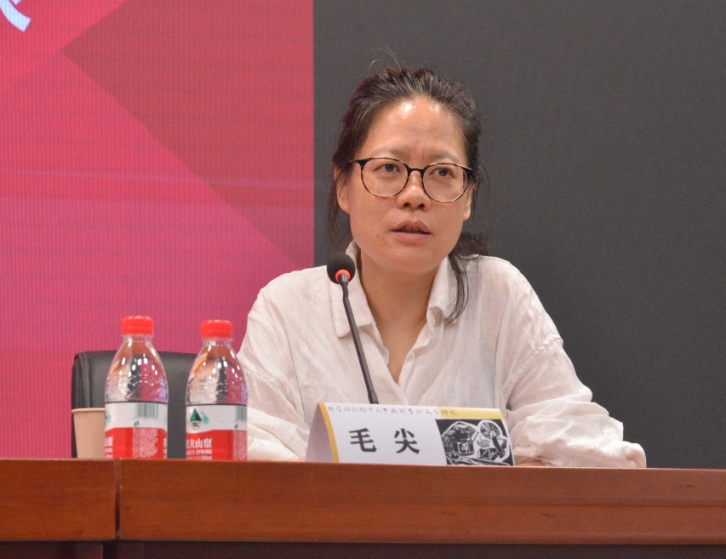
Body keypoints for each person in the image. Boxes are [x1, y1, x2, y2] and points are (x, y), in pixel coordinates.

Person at [239, 65, 646, 467]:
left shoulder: (498, 296)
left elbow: (592, 451)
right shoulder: (287, 310)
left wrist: (500, 493)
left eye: (441, 173)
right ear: (343, 185)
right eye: (389, 168)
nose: (414, 195)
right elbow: (250, 457)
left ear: (467, 197)